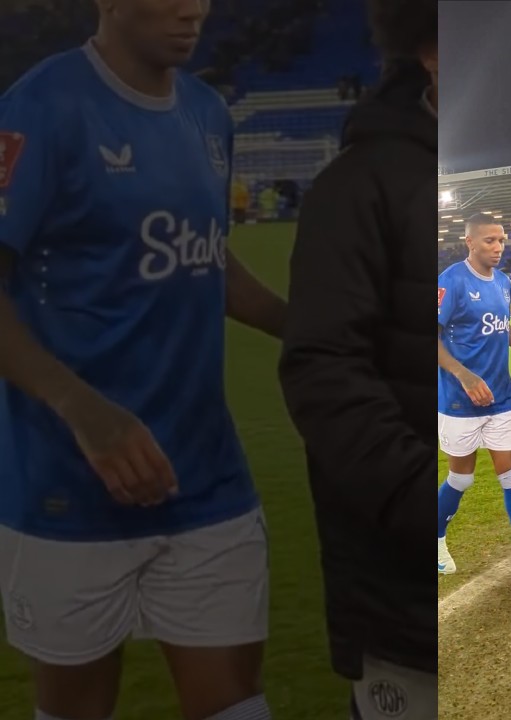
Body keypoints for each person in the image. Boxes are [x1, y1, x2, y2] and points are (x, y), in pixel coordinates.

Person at [0, 1, 288, 719]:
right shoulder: (40, 106)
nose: (193, 7)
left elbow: (206, 257)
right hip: (67, 489)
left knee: (235, 706)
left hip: (208, 482)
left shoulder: (208, 112)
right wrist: (83, 409)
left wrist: (305, 325)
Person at [276, 0, 438, 717]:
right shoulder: (360, 184)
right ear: (430, 48)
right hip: (411, 595)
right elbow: (324, 372)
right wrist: (431, 504)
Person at [435, 214, 511, 599]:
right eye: (490, 240)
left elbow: (503, 329)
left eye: (502, 240)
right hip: (458, 401)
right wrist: (464, 376)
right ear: (469, 241)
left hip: (502, 400)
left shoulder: (504, 282)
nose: (499, 247)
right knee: (462, 479)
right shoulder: (451, 281)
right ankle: (436, 537)